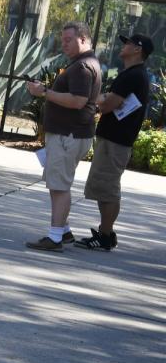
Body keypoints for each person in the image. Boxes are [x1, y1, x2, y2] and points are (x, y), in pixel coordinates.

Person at [25, 21, 101, 251]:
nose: (64, 44)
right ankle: (64, 231)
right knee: (57, 183)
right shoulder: (85, 63)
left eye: (69, 40)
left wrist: (45, 92)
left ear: (84, 39)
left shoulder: (82, 67)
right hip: (70, 134)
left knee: (60, 186)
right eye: (63, 39)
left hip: (68, 135)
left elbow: (78, 101)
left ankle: (55, 237)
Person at [76, 34, 153, 250]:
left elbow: (108, 104)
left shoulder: (133, 76)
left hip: (116, 141)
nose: (123, 46)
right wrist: (105, 99)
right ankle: (106, 232)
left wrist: (101, 100)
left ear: (138, 50)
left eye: (128, 43)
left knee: (108, 188)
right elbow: (111, 101)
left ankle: (106, 235)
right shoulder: (133, 74)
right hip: (116, 139)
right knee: (105, 187)